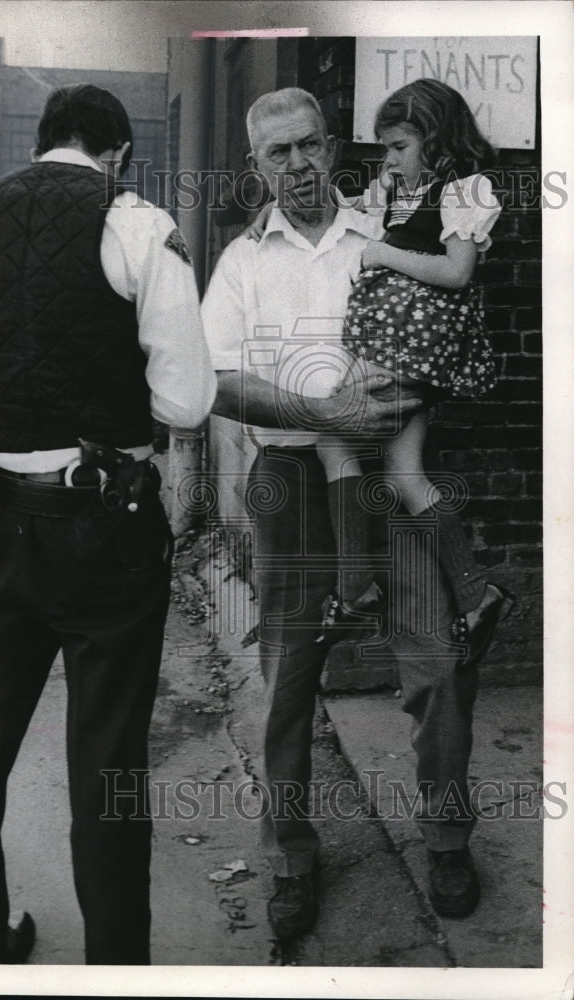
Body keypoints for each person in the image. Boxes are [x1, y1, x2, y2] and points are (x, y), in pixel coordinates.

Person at [0, 83, 216, 965]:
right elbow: (187, 404)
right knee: (108, 760)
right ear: (117, 152)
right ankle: (117, 965)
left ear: (44, 142)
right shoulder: (138, 226)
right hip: (104, 528)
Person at [202, 87, 483, 942]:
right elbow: (215, 383)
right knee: (288, 684)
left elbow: (454, 303)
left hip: (385, 481)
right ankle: (290, 856)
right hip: (290, 486)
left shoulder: (388, 230)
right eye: (277, 153)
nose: (297, 166)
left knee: (436, 664)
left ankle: (445, 839)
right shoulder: (243, 262)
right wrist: (324, 415)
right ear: (258, 167)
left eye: (309, 146)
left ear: (333, 146)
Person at [311, 78, 514, 669]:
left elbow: (457, 271)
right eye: (385, 148)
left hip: (413, 345)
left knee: (333, 435)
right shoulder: (399, 186)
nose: (389, 158)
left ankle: (355, 589)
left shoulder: (466, 189)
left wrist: (382, 255)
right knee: (403, 471)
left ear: (436, 136)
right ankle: (477, 596)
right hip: (397, 342)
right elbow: (347, 218)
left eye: (399, 145)